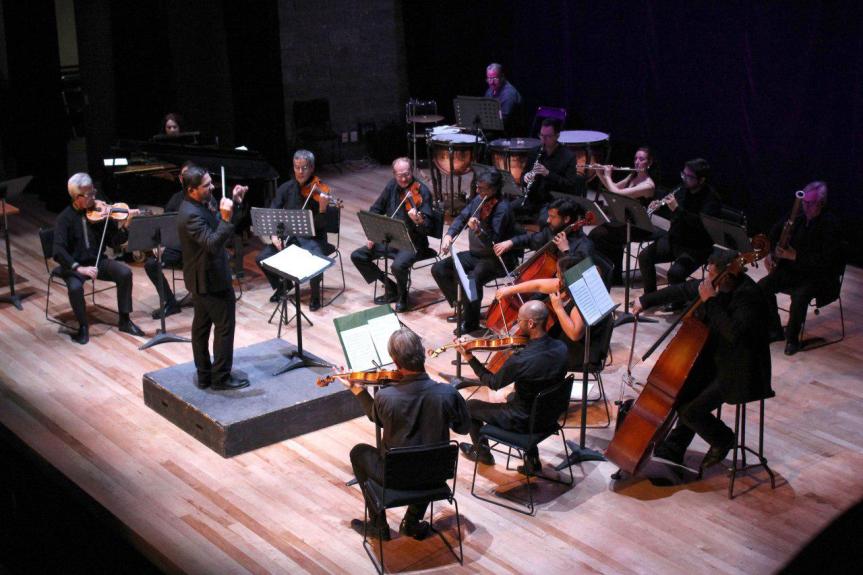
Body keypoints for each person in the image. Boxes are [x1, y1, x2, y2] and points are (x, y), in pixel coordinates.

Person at [631, 250, 773, 469]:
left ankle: (723, 439)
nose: (707, 280)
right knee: (681, 393)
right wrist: (645, 300)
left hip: (742, 370)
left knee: (691, 411)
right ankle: (674, 449)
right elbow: (681, 289)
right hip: (717, 360)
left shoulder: (749, 296)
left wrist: (711, 302)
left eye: (712, 275)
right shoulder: (717, 284)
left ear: (728, 275)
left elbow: (733, 334)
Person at [344, 328, 470, 541]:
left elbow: (377, 418)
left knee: (359, 452)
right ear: (421, 353)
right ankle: (411, 522)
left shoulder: (386, 397)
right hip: (435, 474)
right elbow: (464, 428)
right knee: (425, 452)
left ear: (395, 361)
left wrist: (358, 390)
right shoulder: (448, 393)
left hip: (395, 477)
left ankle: (378, 525)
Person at [455, 300, 570, 474]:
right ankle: (532, 460)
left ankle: (482, 453)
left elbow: (493, 383)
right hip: (551, 414)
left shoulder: (521, 360)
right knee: (514, 397)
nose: (516, 324)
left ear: (530, 323)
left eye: (519, 321)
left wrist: (469, 357)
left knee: (469, 406)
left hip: (523, 421)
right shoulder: (562, 347)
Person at [177, 166, 249, 390]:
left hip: (203, 278)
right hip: (210, 280)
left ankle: (205, 375)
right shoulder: (190, 215)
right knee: (224, 327)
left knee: (201, 327)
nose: (212, 187)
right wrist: (226, 218)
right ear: (191, 190)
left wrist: (235, 203)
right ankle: (220, 378)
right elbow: (213, 243)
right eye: (206, 185)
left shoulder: (200, 203)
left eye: (211, 183)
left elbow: (218, 223)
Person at [52, 173, 145, 344]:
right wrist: (78, 268)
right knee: (74, 288)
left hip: (97, 261)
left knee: (124, 273)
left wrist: (126, 226)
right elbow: (57, 250)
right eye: (89, 195)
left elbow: (113, 242)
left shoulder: (100, 213)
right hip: (74, 266)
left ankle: (124, 320)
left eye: (94, 192)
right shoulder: (64, 219)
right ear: (76, 196)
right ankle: (83, 327)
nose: (94, 198)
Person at [758, 181, 842, 356]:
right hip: (791, 271)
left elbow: (826, 261)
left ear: (821, 203)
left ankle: (792, 338)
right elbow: (774, 233)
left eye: (809, 203)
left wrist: (795, 256)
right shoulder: (797, 217)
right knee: (762, 287)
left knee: (800, 296)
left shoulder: (830, 225)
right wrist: (771, 253)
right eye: (804, 202)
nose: (804, 206)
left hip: (817, 276)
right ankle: (775, 329)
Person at [431, 169, 517, 335]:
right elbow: (462, 217)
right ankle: (463, 306)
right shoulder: (479, 199)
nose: (477, 191)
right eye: (477, 187)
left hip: (496, 259)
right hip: (475, 255)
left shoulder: (502, 209)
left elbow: (493, 241)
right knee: (439, 269)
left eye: (482, 188)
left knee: (472, 280)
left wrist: (478, 230)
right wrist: (449, 235)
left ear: (493, 189)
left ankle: (471, 322)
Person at [350, 157, 434, 312]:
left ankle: (403, 296)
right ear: (394, 175)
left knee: (397, 266)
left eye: (407, 174)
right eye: (400, 175)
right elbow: (375, 209)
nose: (403, 179)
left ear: (412, 171)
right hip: (392, 238)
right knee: (358, 256)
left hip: (413, 242)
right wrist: (372, 234)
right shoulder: (391, 186)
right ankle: (391, 286)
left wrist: (418, 221)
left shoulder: (422, 191)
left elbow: (429, 226)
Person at [638, 158, 721, 308]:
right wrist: (659, 205)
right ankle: (651, 297)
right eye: (683, 174)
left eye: (689, 176)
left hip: (696, 247)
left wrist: (677, 209)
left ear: (701, 180)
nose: (684, 178)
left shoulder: (711, 200)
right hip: (675, 240)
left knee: (674, 274)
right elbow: (671, 207)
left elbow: (700, 225)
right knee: (645, 256)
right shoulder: (682, 189)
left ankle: (678, 302)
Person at [255, 150, 330, 311]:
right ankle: (284, 285)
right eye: (297, 168)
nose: (300, 172)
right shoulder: (286, 188)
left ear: (312, 168)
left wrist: (323, 209)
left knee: (315, 260)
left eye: (304, 168)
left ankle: (315, 295)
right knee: (262, 257)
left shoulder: (320, 191)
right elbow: (273, 212)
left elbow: (322, 225)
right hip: (291, 238)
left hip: (314, 239)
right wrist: (274, 235)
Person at [588, 146, 657, 285]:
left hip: (639, 226)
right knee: (597, 234)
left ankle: (610, 273)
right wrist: (600, 173)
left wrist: (607, 175)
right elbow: (612, 188)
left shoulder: (648, 185)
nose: (637, 162)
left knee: (600, 235)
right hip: (624, 222)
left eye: (641, 159)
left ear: (649, 163)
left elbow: (618, 193)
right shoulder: (632, 176)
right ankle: (614, 275)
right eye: (636, 158)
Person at [494, 197, 593, 263]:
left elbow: (575, 274)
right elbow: (531, 239)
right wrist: (510, 242)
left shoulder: (584, 245)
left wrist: (565, 251)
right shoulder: (552, 231)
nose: (548, 220)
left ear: (566, 219)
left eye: (552, 217)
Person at [519, 119, 579, 225]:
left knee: (543, 221)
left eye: (548, 136)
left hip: (553, 202)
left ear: (557, 136)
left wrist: (548, 174)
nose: (543, 139)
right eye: (541, 135)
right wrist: (526, 177)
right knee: (508, 209)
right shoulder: (534, 152)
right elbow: (523, 175)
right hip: (532, 198)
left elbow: (570, 185)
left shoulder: (568, 156)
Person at [484, 63, 523, 134]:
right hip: (494, 132)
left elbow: (502, 122)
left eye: (495, 78)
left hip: (507, 137)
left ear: (502, 77)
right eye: (489, 78)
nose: (491, 82)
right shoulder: (490, 90)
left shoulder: (509, 94)